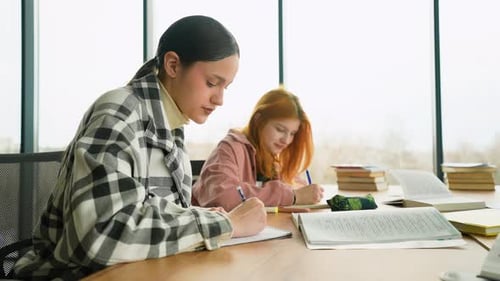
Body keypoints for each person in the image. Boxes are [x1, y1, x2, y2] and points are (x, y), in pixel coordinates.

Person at [13, 15, 267, 280]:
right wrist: (224, 224)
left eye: (226, 87)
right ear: (172, 65)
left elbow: (147, 208)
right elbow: (102, 234)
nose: (220, 99)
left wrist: (195, 214)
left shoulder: (171, 126)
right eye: (212, 83)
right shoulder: (120, 113)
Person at [192, 88, 324, 211]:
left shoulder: (270, 158)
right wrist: (293, 196)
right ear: (258, 120)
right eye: (280, 129)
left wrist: (301, 192)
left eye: (292, 133)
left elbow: (293, 188)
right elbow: (223, 197)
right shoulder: (230, 148)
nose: (286, 140)